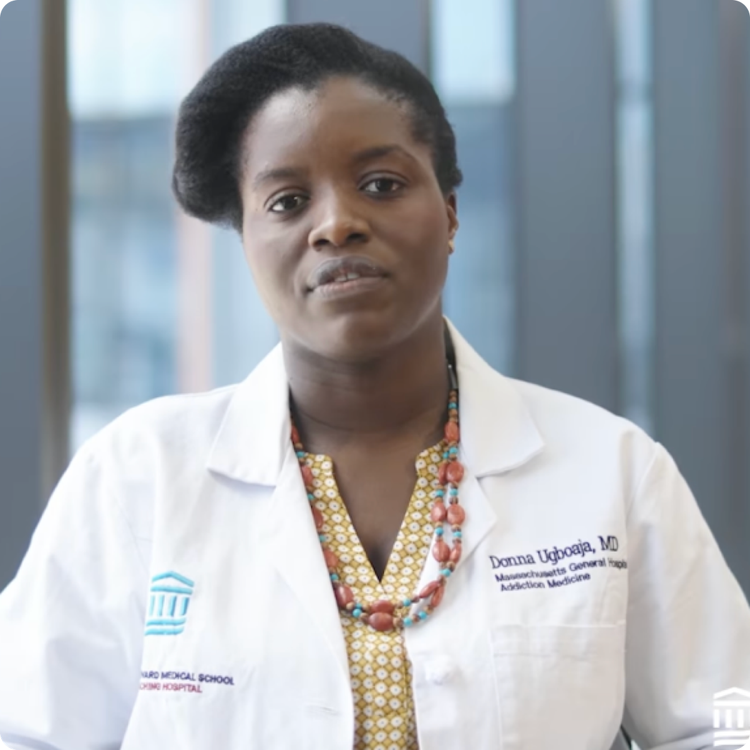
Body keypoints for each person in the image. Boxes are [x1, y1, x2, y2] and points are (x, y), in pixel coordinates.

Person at [0, 22, 748, 750]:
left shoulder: (611, 470)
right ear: (248, 242)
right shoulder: (137, 477)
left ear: (449, 214)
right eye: (286, 201)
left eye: (381, 184)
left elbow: (728, 719)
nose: (336, 224)